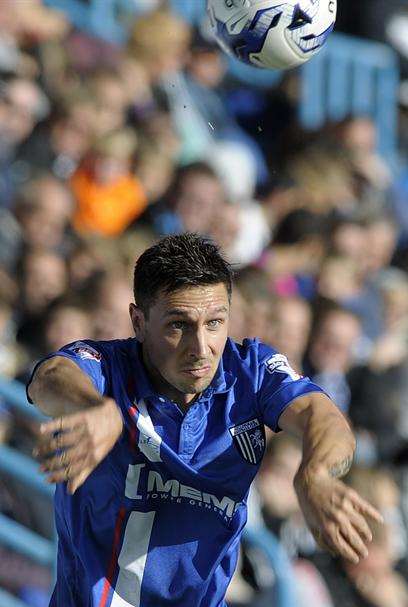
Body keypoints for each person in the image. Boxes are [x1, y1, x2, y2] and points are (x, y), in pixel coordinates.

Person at [27, 233, 382, 607]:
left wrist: (317, 473)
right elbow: (49, 377)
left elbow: (320, 415)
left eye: (215, 323)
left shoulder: (252, 373)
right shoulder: (109, 370)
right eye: (178, 325)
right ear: (139, 321)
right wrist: (91, 407)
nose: (200, 348)